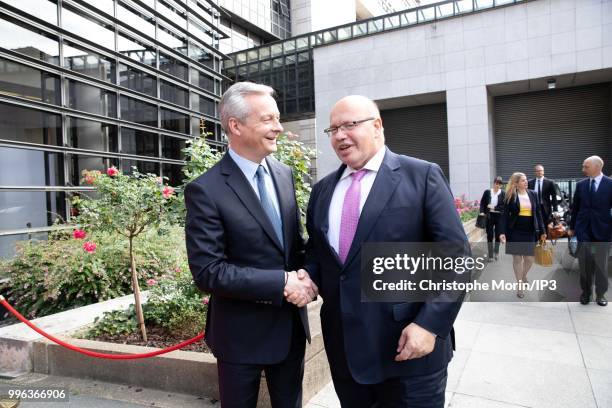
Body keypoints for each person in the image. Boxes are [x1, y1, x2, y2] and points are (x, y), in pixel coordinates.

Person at [301, 95, 468, 407]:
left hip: (410, 352)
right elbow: (317, 254)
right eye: (333, 129)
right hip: (347, 354)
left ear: (377, 126)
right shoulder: (322, 190)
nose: (339, 135)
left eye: (349, 125)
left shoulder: (422, 175)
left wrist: (429, 325)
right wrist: (307, 277)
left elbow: (456, 260)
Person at [184, 82, 318, 407]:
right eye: (268, 119)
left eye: (278, 118)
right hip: (239, 340)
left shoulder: (284, 174)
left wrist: (309, 278)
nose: (278, 128)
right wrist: (281, 282)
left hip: (289, 331)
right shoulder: (206, 190)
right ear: (236, 125)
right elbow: (209, 272)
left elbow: (295, 245)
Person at [568, 156, 612, 307]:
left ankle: (600, 295)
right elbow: (575, 209)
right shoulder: (581, 185)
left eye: (585, 166)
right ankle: (585, 293)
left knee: (601, 265)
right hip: (583, 231)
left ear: (597, 167)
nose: (583, 169)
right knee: (585, 265)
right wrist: (572, 228)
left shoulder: (610, 184)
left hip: (603, 232)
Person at [499, 172, 546, 298]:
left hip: (530, 230)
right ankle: (519, 285)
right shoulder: (510, 196)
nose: (526, 182)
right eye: (523, 180)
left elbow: (538, 214)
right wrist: (502, 232)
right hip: (514, 231)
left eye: (526, 180)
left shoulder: (533, 194)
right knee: (517, 259)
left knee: (530, 259)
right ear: (516, 183)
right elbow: (504, 216)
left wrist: (543, 231)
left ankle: (523, 275)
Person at [479, 176, 506, 261]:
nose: (497, 185)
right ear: (494, 183)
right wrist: (482, 211)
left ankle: (496, 251)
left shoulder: (503, 193)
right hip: (489, 216)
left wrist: (493, 207)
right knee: (489, 235)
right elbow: (482, 203)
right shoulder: (487, 192)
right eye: (496, 183)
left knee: (498, 235)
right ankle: (490, 255)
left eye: (499, 184)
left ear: (501, 185)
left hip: (499, 217)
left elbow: (503, 206)